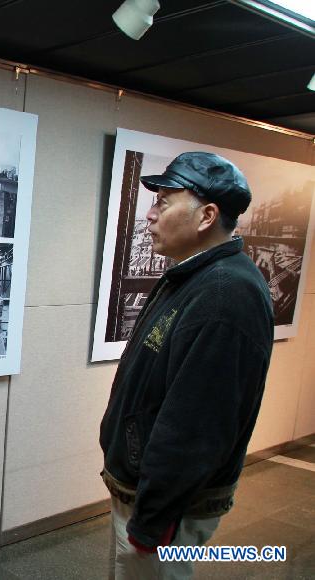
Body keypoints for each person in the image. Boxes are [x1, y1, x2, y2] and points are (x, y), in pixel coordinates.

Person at [99, 151, 274, 579]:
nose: (150, 216)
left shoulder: (224, 296)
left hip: (164, 508)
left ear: (206, 216)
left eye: (162, 202)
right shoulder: (196, 278)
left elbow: (196, 428)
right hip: (147, 494)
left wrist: (152, 521)